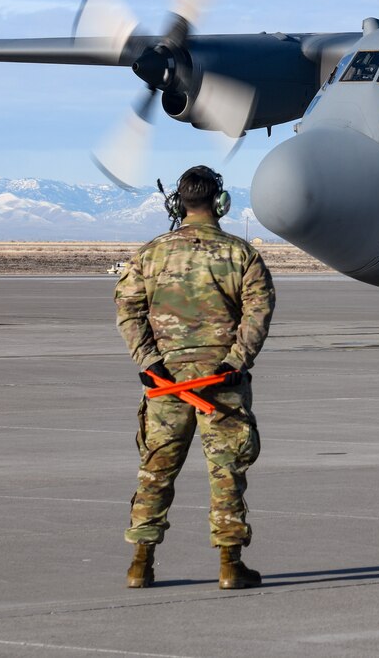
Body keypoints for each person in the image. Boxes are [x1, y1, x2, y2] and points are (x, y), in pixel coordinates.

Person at [115, 166, 276, 589]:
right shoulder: (241, 254)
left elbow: (127, 310)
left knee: (155, 471)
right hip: (220, 385)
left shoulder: (149, 254)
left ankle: (140, 563)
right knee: (226, 472)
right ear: (220, 204)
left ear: (177, 204)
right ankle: (229, 565)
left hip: (166, 385)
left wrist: (149, 363)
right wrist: (234, 363)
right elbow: (258, 312)